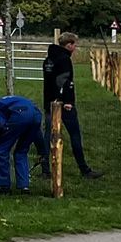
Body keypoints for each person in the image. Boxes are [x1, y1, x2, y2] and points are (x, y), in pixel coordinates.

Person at [40, 31, 102, 178]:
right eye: (74, 45)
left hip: (49, 102)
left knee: (48, 136)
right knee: (75, 135)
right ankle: (84, 169)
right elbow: (66, 82)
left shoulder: (49, 59)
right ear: (69, 45)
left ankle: (45, 169)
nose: (75, 48)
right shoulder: (64, 59)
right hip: (62, 104)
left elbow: (49, 83)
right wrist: (68, 101)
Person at [0, 94, 47, 193]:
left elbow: (1, 125)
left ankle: (4, 186)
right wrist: (42, 151)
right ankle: (24, 186)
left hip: (20, 114)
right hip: (36, 113)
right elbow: (37, 133)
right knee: (21, 151)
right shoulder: (6, 103)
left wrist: (0, 139)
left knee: (2, 150)